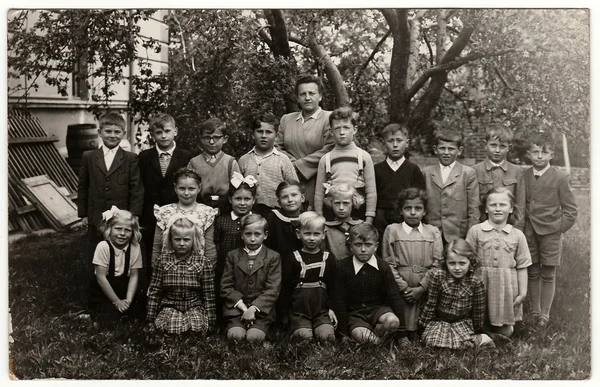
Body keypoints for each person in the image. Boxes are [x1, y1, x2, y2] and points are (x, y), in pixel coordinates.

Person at [77, 112, 143, 282]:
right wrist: (84, 214)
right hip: (96, 215)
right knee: (96, 251)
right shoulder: (89, 157)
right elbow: (83, 186)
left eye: (117, 132)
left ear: (123, 134)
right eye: (108, 131)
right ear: (100, 133)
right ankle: (96, 288)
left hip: (121, 217)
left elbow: (136, 188)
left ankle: (119, 284)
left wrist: (134, 214)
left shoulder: (130, 158)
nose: (112, 135)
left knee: (120, 251)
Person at [524, 132, 577, 327]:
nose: (539, 156)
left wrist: (558, 229)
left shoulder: (561, 177)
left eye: (543, 153)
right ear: (529, 154)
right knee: (532, 270)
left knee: (548, 272)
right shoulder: (524, 175)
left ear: (551, 155)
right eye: (535, 152)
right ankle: (534, 309)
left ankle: (544, 313)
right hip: (529, 232)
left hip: (551, 234)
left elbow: (571, 211)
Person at [466, 188, 531, 337]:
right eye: (493, 205)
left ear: (511, 208)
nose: (497, 209)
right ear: (486, 209)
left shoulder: (517, 235)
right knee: (478, 323)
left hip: (506, 286)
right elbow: (466, 261)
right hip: (481, 283)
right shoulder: (476, 231)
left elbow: (522, 265)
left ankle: (494, 336)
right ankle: (483, 335)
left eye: (502, 205)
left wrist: (522, 292)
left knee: (505, 331)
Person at [382, 188, 443, 339]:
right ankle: (401, 335)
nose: (413, 212)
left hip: (425, 282)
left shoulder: (433, 231)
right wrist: (404, 288)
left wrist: (421, 288)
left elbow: (437, 263)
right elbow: (388, 262)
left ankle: (422, 334)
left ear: (424, 212)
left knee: (424, 315)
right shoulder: (392, 230)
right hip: (402, 282)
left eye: (418, 208)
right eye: (408, 208)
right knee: (401, 312)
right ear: (401, 211)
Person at [139, 113, 193, 280]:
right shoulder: (144, 157)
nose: (163, 136)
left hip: (178, 214)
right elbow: (139, 187)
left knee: (177, 251)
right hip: (150, 217)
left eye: (167, 131)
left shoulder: (186, 156)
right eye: (158, 132)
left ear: (175, 131)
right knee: (151, 255)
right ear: (152, 134)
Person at [333, 223, 406, 344]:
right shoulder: (342, 267)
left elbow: (395, 298)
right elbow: (339, 301)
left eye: (368, 245)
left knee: (393, 321)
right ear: (350, 246)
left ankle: (374, 336)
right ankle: (376, 341)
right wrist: (343, 334)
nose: (363, 249)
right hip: (355, 315)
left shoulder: (383, 266)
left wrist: (402, 335)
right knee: (360, 335)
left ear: (376, 246)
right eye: (358, 245)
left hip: (378, 310)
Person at [146, 215, 216, 335]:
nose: (182, 243)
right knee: (170, 328)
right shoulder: (162, 261)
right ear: (171, 240)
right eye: (177, 239)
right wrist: (150, 319)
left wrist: (212, 321)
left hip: (193, 305)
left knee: (196, 327)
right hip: (170, 304)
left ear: (194, 240)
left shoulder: (203, 262)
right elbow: (154, 291)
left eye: (186, 240)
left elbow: (208, 293)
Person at [418, 239, 492, 349]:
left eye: (462, 263)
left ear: (470, 262)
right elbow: (431, 303)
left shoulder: (475, 281)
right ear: (445, 262)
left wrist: (476, 330)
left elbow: (478, 310)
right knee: (432, 342)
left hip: (461, 322)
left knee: (463, 344)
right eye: (452, 263)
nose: (457, 268)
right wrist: (423, 326)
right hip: (441, 322)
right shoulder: (438, 275)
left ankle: (481, 338)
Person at [275, 74, 334, 208]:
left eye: (312, 93)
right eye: (303, 94)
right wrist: (290, 166)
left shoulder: (329, 118)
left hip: (318, 178)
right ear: (297, 97)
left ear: (320, 96)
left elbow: (330, 148)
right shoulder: (287, 119)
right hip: (290, 179)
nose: (307, 98)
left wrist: (299, 166)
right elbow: (277, 147)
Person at [220, 214, 282, 342]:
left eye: (257, 234)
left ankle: (261, 331)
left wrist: (253, 309)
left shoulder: (273, 257)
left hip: (261, 311)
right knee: (235, 336)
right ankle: (236, 326)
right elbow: (226, 286)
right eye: (248, 234)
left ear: (265, 235)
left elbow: (272, 289)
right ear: (242, 235)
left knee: (254, 337)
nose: (252, 239)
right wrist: (244, 309)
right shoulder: (232, 256)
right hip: (236, 309)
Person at [314, 107, 376, 223]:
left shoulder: (364, 157)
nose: (342, 132)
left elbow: (371, 191)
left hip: (358, 213)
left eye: (346, 128)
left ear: (355, 129)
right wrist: (319, 217)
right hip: (332, 214)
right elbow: (319, 193)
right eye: (337, 128)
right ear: (331, 131)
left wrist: (369, 219)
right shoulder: (326, 159)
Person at [284, 212, 337, 342]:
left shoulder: (329, 258)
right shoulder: (292, 258)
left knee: (327, 337)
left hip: (322, 311)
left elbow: (334, 287)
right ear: (298, 234)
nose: (312, 238)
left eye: (316, 234)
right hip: (299, 311)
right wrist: (286, 314)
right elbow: (286, 288)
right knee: (304, 338)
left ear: (323, 234)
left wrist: (331, 308)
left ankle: (321, 328)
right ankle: (299, 329)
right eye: (307, 234)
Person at [151, 168, 218, 268]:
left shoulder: (207, 212)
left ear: (199, 188)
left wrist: (209, 268)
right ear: (175, 188)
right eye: (182, 188)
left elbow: (209, 245)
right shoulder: (164, 212)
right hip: (168, 268)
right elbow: (157, 244)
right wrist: (155, 265)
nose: (186, 193)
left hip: (197, 268)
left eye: (191, 189)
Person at [214, 172, 257, 327]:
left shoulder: (257, 221)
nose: (242, 203)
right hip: (226, 265)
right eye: (238, 199)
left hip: (250, 265)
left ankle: (250, 315)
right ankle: (227, 319)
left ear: (254, 200)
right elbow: (217, 243)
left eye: (247, 199)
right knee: (226, 289)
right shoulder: (222, 221)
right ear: (231, 199)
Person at [422, 129, 480, 243]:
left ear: (459, 151)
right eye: (442, 148)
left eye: (451, 149)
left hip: (458, 233)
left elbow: (474, 209)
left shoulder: (468, 173)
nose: (446, 152)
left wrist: (470, 237)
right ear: (435, 149)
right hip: (431, 233)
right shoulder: (426, 173)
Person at [89, 206, 143, 322]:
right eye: (118, 229)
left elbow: (134, 276)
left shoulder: (135, 247)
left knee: (138, 313)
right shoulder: (103, 246)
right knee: (108, 318)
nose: (122, 233)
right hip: (104, 289)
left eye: (127, 230)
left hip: (124, 288)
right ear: (109, 229)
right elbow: (101, 277)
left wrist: (127, 301)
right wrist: (116, 301)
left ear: (133, 232)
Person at [238, 113, 298, 216]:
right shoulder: (244, 160)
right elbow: (237, 190)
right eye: (260, 132)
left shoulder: (283, 160)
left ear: (276, 135)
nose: (264, 136)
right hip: (250, 214)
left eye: (269, 132)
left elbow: (294, 187)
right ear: (253, 134)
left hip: (277, 214)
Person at [264, 180, 306, 325]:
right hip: (279, 263)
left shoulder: (307, 218)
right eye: (285, 197)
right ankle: (280, 316)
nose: (290, 200)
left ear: (302, 198)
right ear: (279, 201)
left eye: (294, 195)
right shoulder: (272, 218)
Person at [374, 123, 426, 239]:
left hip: (405, 217)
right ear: (384, 144)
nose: (395, 145)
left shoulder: (413, 169)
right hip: (381, 218)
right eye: (390, 141)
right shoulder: (376, 169)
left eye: (399, 140)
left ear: (406, 143)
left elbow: (421, 196)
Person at [472, 123, 525, 230]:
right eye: (493, 145)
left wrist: (517, 230)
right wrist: (476, 229)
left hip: (509, 228)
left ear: (509, 148)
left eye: (502, 146)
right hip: (483, 228)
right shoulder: (474, 171)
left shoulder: (517, 171)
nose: (497, 150)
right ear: (485, 144)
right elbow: (473, 206)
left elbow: (520, 205)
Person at [187, 118, 241, 212]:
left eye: (216, 138)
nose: (211, 142)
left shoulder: (230, 162)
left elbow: (237, 190)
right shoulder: (194, 163)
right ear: (201, 139)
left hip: (225, 208)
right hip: (199, 207)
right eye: (207, 138)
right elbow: (188, 188)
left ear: (225, 139)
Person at [322, 183, 364, 260]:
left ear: (353, 203)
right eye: (337, 203)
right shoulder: (326, 228)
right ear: (330, 203)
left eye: (346, 203)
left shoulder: (361, 226)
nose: (341, 208)